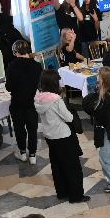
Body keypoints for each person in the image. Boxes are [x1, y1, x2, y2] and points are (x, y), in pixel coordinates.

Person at [35, 69, 87, 203]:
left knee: (57, 165)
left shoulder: (39, 98)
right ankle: (76, 196)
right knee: (72, 167)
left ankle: (62, 192)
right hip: (63, 136)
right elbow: (69, 118)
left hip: (50, 136)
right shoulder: (56, 100)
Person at [6, 39, 43, 164]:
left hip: (17, 103)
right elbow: (40, 86)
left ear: (15, 52)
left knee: (19, 128)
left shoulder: (11, 66)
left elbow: (9, 87)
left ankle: (22, 152)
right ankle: (32, 155)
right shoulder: (37, 66)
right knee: (33, 129)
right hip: (32, 103)